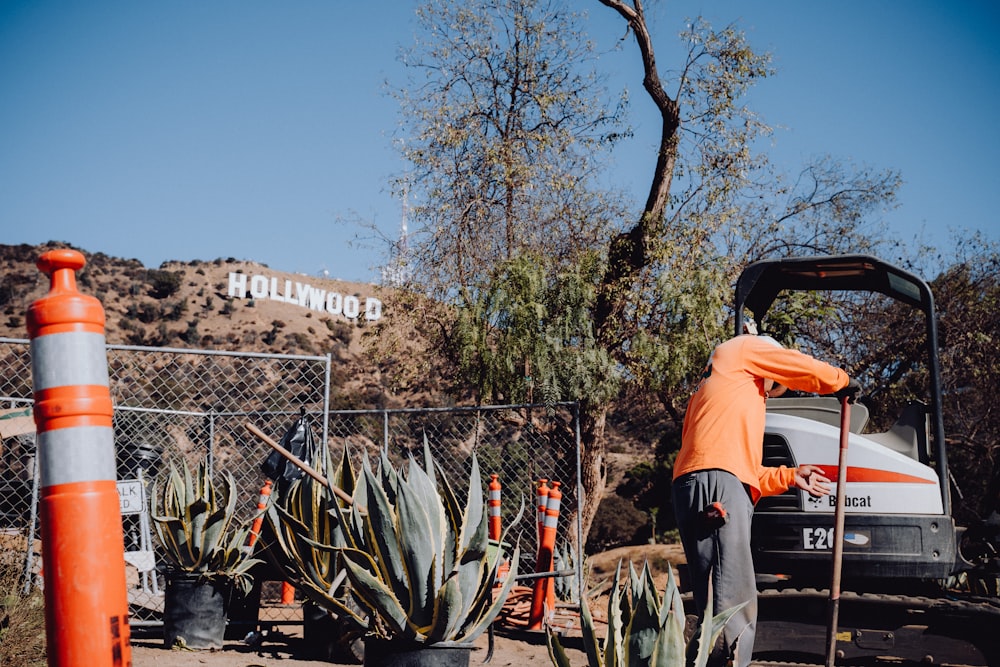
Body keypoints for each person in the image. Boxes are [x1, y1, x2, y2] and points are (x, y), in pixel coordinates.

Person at [672, 325, 860, 667]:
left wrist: (790, 476)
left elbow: (742, 470)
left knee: (714, 599)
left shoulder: (716, 389)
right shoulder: (742, 349)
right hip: (716, 485)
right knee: (732, 602)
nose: (768, 393)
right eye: (772, 384)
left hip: (702, 484)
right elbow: (798, 365)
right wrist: (842, 381)